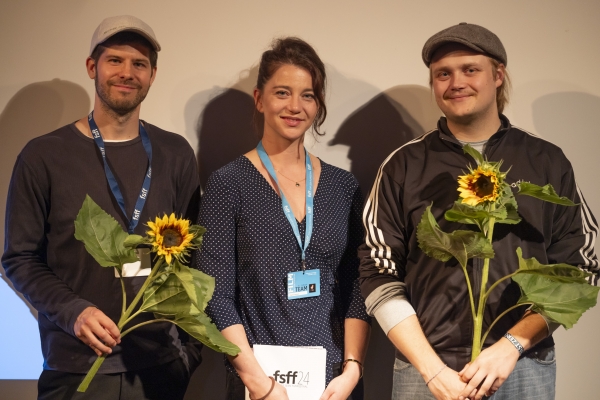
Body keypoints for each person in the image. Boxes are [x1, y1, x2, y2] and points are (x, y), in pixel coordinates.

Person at [358, 22, 598, 400]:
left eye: (470, 69)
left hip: (523, 366)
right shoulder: (404, 166)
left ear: (498, 75)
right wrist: (431, 369)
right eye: (443, 74)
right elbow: (376, 271)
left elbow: (580, 270)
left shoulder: (546, 162)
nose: (456, 82)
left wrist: (511, 346)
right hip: (426, 372)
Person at [2, 15, 201, 399]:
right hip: (77, 368)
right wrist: (73, 311)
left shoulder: (175, 153)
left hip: (159, 370)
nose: (127, 73)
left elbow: (192, 259)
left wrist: (187, 354)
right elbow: (19, 258)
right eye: (115, 61)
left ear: (152, 75)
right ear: (92, 67)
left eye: (139, 63)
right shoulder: (43, 155)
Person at [196, 37, 370, 400]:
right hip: (260, 381)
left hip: (335, 382)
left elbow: (359, 282)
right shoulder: (229, 183)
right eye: (282, 93)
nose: (295, 106)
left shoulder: (343, 185)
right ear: (259, 99)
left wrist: (353, 368)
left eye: (307, 95)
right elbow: (214, 295)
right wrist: (260, 384)